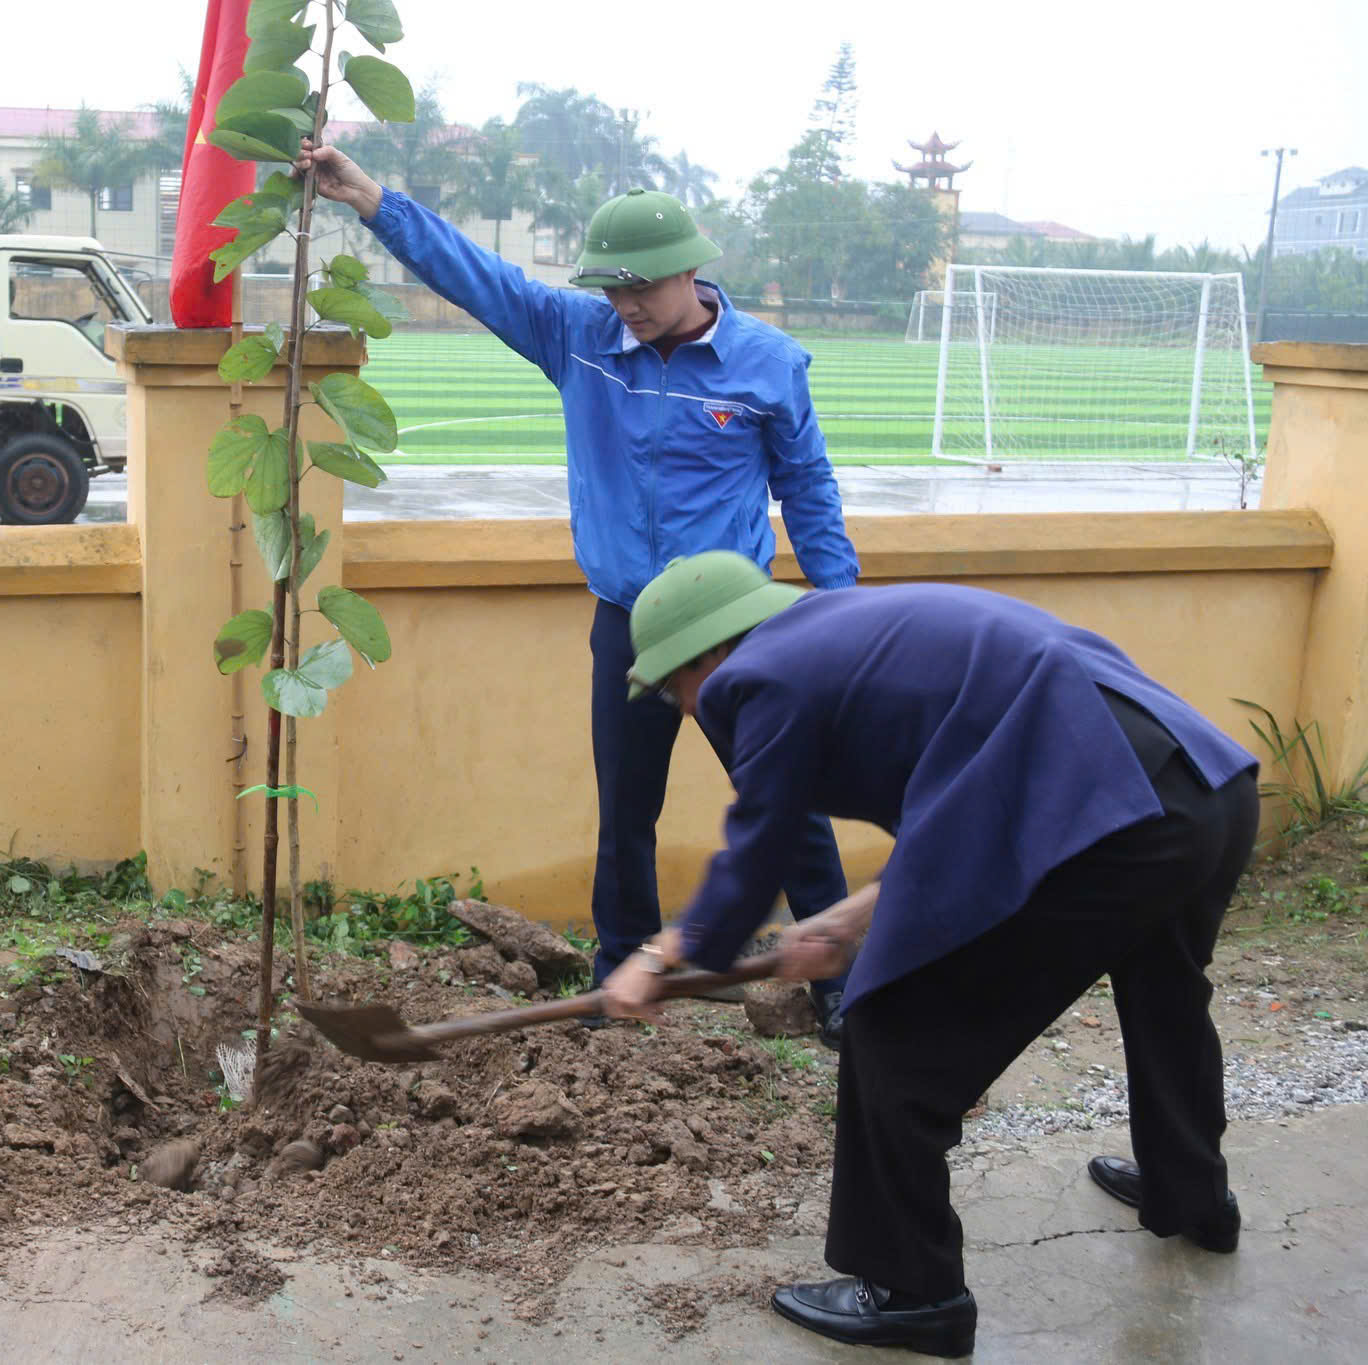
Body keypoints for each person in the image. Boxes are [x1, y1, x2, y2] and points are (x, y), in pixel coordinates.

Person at [601, 552, 1260, 1358]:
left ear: (711, 652)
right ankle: (1194, 1193)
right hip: (1199, 789)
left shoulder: (760, 674)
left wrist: (664, 953)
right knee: (1165, 990)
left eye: (676, 686)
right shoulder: (842, 635)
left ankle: (913, 1291)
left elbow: (757, 846)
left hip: (1107, 811)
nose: (686, 707)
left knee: (892, 1024)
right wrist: (849, 916)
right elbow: (963, 783)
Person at [297, 141, 861, 1041]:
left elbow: (810, 493)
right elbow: (477, 277)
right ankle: (620, 978)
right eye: (612, 290)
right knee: (624, 806)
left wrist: (843, 610)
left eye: (640, 288)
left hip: (738, 631)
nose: (626, 306)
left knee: (786, 796)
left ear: (689, 271)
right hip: (630, 624)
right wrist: (371, 199)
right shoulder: (580, 337)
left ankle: (840, 977)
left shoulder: (768, 364)